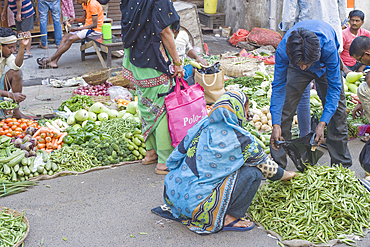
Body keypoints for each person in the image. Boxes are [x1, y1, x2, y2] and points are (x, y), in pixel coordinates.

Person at [154, 91, 296, 234]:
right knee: (254, 173)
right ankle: (230, 218)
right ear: (238, 111)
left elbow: (174, 157)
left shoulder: (202, 125)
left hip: (173, 195)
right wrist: (288, 175)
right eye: (245, 111)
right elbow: (269, 170)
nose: (246, 117)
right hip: (198, 206)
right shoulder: (241, 138)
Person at [270, 19, 352, 168]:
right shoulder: (284, 50)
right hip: (295, 62)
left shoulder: (328, 48)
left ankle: (341, 168)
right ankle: (277, 169)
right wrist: (275, 124)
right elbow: (278, 87)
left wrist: (322, 123)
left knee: (338, 113)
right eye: (299, 64)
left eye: (305, 65)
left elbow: (334, 89)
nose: (303, 68)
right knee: (283, 111)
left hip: (324, 68)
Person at [120, 0, 184, 175]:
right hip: (152, 59)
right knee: (163, 107)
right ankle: (164, 162)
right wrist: (177, 63)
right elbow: (165, 31)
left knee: (146, 103)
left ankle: (150, 152)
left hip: (134, 58)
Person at [36, 0, 104, 69]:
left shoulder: (93, 4)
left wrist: (77, 29)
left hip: (95, 30)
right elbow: (84, 18)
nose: (76, 2)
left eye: (77, 0)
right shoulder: (85, 3)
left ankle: (50, 59)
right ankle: (54, 62)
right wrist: (74, 19)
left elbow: (94, 25)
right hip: (87, 28)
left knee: (70, 39)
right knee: (65, 37)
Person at [0, 28, 31, 119]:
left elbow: (16, 66)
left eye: (14, 47)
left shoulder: (5, 54)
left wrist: (22, 46)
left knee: (16, 73)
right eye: (10, 47)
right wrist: (11, 95)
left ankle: (16, 112)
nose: (13, 50)